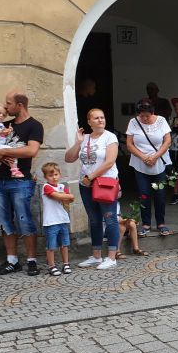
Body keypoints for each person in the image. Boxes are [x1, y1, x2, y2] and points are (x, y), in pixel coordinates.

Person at [0, 91, 44, 276]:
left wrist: (3, 152)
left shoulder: (34, 126)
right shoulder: (4, 125)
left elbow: (31, 150)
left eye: (9, 103)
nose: (5, 106)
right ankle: (12, 261)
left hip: (20, 181)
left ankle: (32, 261)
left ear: (20, 105)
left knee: (24, 219)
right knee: (4, 221)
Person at [65, 108, 120, 270]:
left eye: (102, 117)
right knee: (94, 220)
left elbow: (109, 162)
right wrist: (78, 142)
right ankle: (96, 256)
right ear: (89, 122)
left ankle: (111, 257)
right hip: (86, 185)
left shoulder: (110, 137)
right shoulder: (85, 138)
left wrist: (91, 177)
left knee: (110, 219)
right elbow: (69, 158)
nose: (100, 120)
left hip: (104, 183)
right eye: (96, 118)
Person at [126, 99, 172, 237]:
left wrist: (155, 157)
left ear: (152, 112)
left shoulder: (161, 121)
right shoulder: (133, 122)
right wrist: (144, 157)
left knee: (160, 194)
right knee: (144, 194)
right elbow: (129, 144)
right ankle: (146, 224)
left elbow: (167, 141)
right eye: (142, 115)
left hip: (159, 163)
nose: (144, 118)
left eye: (147, 115)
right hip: (140, 164)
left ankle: (161, 223)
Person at [39, 162, 74, 276]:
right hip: (51, 221)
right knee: (51, 246)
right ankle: (52, 266)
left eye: (56, 174)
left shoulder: (62, 187)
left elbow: (69, 200)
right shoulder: (46, 187)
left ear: (59, 174)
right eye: (50, 175)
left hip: (62, 219)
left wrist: (67, 196)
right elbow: (58, 196)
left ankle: (66, 264)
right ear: (45, 177)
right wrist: (68, 196)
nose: (54, 177)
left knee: (64, 244)